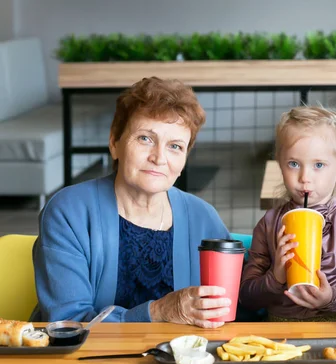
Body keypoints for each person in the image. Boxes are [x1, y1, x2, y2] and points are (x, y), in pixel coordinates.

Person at [33, 77, 233, 328]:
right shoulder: (69, 212)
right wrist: (157, 311)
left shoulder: (203, 217)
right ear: (114, 142)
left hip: (182, 363)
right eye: (145, 139)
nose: (159, 158)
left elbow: (242, 305)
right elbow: (67, 323)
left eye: (175, 146)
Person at [239, 106, 336, 321]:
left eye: (318, 164)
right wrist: (276, 275)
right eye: (293, 164)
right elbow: (247, 297)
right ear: (280, 163)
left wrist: (331, 298)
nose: (304, 177)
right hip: (279, 334)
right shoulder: (270, 223)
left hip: (334, 333)